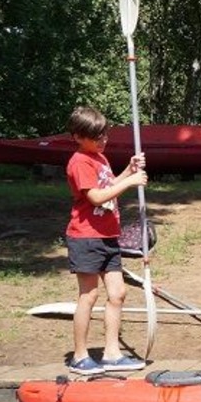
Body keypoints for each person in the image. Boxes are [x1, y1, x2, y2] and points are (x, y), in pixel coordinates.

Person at [63, 106, 148, 375]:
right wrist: (131, 182)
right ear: (78, 137)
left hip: (109, 236)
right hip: (86, 237)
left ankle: (112, 354)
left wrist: (128, 171)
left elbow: (109, 188)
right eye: (96, 137)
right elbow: (96, 197)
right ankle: (80, 356)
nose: (103, 140)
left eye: (104, 135)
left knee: (117, 293)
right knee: (88, 295)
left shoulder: (99, 158)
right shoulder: (80, 162)